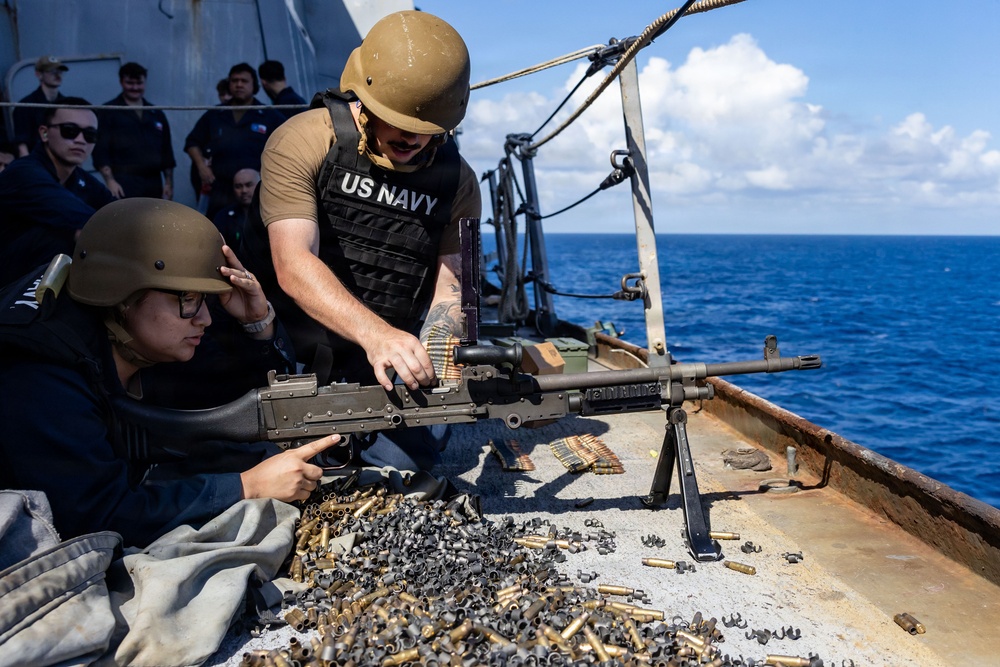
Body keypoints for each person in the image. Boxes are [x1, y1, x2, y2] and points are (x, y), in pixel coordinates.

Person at [0, 198, 340, 548]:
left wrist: (256, 323)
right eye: (189, 299)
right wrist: (246, 486)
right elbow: (96, 516)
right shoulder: (41, 378)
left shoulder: (138, 332)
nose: (204, 318)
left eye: (206, 300)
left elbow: (242, 394)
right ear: (123, 297)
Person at [240, 10, 481, 470]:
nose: (410, 136)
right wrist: (377, 336)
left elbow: (454, 289)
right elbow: (292, 263)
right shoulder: (302, 141)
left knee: (417, 465)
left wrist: (443, 360)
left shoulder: (460, 184)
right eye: (396, 120)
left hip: (379, 367)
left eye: (427, 129)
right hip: (280, 349)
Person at [0, 97, 114, 287]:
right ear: (44, 133)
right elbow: (74, 215)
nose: (80, 140)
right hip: (8, 282)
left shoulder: (80, 178)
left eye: (90, 135)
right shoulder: (23, 173)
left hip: (31, 275)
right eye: (69, 130)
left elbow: (118, 210)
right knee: (63, 234)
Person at [184, 63, 285, 219]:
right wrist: (201, 166)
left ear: (254, 85)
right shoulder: (216, 114)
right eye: (234, 80)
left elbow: (285, 146)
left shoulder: (269, 115)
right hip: (220, 192)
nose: (239, 85)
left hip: (254, 193)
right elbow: (192, 142)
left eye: (244, 81)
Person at [92, 62, 176, 199]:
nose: (135, 87)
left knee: (154, 220)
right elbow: (101, 150)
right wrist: (110, 181)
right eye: (130, 83)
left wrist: (168, 183)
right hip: (123, 182)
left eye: (139, 83)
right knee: (126, 220)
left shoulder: (156, 113)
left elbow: (167, 152)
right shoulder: (109, 111)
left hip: (154, 182)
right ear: (121, 82)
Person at [12, 55, 69, 157]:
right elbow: (22, 143)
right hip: (37, 161)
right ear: (39, 74)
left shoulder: (66, 104)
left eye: (60, 71)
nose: (57, 75)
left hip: (62, 160)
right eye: (52, 71)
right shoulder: (26, 105)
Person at [212, 167, 260, 248]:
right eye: (238, 186)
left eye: (249, 185)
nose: (244, 190)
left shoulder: (272, 213)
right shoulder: (224, 217)